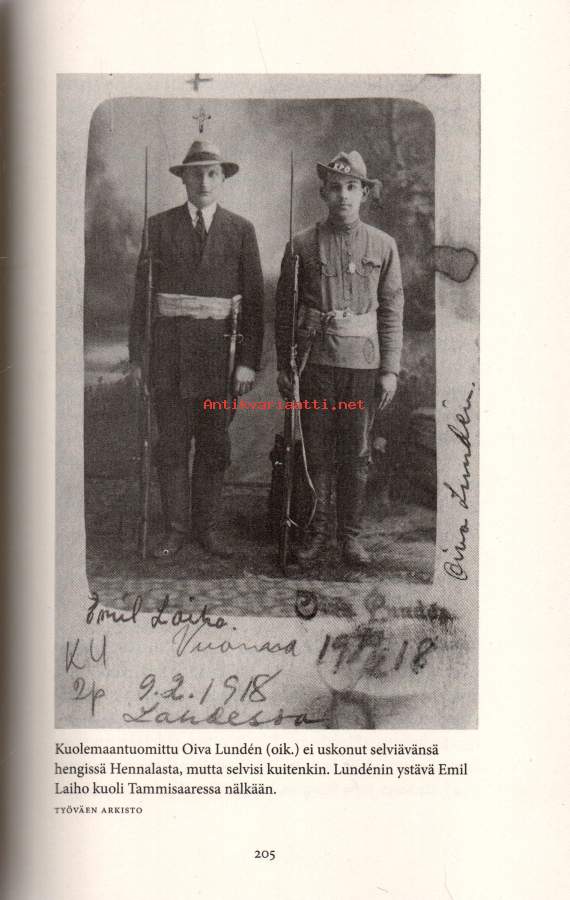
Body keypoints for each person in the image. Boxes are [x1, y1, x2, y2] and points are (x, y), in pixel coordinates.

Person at [129, 140, 264, 560]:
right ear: (183, 179)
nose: (203, 181)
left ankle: (207, 527)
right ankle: (175, 528)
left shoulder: (241, 230)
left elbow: (254, 303)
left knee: (213, 446)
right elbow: (141, 300)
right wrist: (138, 359)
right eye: (195, 173)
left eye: (212, 173)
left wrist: (247, 363)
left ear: (222, 179)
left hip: (220, 360)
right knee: (171, 445)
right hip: (168, 358)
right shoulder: (158, 227)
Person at [275, 150, 404, 566]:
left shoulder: (383, 245)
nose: (343, 195)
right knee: (314, 449)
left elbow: (392, 309)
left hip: (363, 365)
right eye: (336, 188)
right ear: (323, 193)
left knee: (356, 452)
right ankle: (314, 533)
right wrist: (285, 366)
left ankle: (350, 537)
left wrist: (390, 369)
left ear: (364, 193)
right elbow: (284, 311)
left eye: (352, 187)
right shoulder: (301, 244)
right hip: (316, 363)